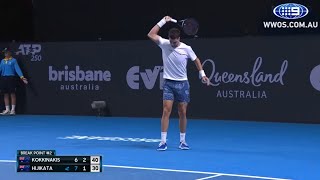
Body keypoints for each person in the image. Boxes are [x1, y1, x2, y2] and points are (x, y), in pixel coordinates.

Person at [147, 16, 210, 151]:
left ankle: (182, 141)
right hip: (168, 83)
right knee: (166, 111)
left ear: (179, 39)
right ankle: (163, 142)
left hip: (183, 84)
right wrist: (163, 21)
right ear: (169, 38)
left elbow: (196, 60)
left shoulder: (187, 48)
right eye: (171, 41)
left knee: (182, 112)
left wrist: (202, 75)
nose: (173, 44)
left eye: (175, 42)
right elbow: (151, 34)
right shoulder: (164, 43)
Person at [0, 48, 28, 115]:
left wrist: (22, 77)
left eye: (7, 52)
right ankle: (7, 109)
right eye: (4, 53)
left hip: (11, 78)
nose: (5, 54)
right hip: (4, 78)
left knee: (12, 94)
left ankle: (13, 110)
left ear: (10, 52)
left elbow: (17, 69)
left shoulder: (13, 61)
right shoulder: (2, 61)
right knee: (5, 94)